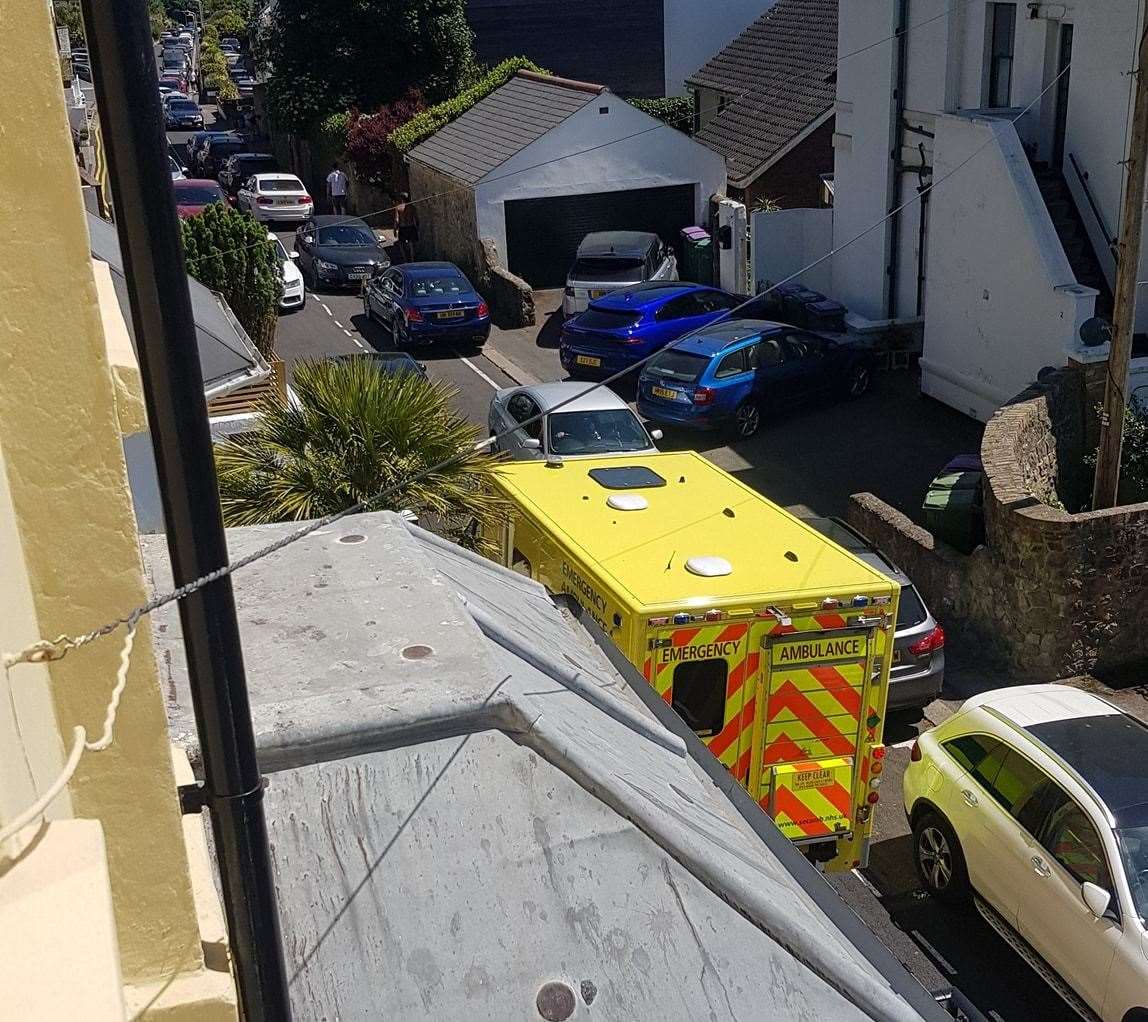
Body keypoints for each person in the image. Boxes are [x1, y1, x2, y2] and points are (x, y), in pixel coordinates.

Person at [393, 192, 419, 262]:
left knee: (402, 244)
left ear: (401, 198)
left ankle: (405, 260)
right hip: (411, 226)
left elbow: (397, 220)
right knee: (411, 245)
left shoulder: (398, 207)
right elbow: (415, 218)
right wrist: (417, 227)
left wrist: (395, 229)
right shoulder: (412, 207)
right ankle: (413, 259)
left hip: (403, 227)